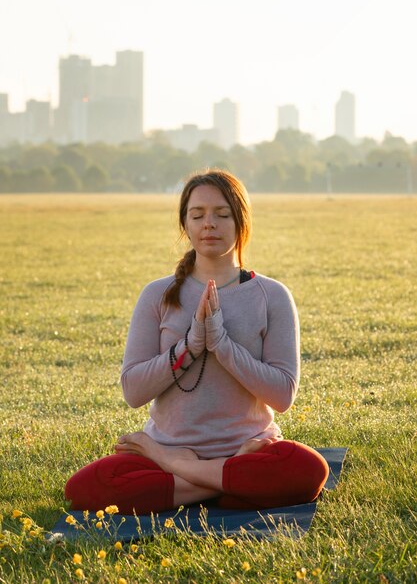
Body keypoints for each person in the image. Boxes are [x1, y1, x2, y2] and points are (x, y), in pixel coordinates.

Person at [65, 170, 329, 514]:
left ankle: (186, 477)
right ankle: (227, 485)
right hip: (176, 447)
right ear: (184, 224)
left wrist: (222, 344)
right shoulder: (157, 294)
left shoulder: (272, 295)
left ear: (241, 221)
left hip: (248, 448)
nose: (210, 224)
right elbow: (133, 391)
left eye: (222, 214)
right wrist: (189, 346)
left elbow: (282, 396)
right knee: (83, 489)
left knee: (308, 470)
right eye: (198, 215)